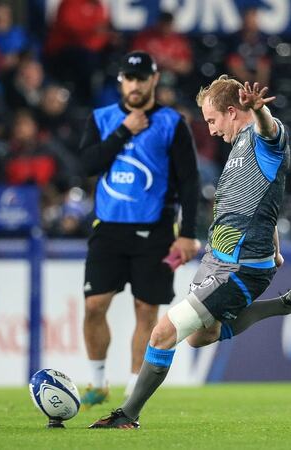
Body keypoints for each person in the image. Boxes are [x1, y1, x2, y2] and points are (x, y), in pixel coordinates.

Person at [89, 76, 291, 429]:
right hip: (218, 258)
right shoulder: (238, 149)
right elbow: (261, 200)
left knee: (163, 332)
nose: (210, 130)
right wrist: (275, 243)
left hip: (241, 267)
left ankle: (127, 414)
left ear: (232, 111)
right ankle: (286, 304)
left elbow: (270, 129)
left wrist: (260, 110)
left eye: (212, 120)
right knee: (201, 336)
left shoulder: (262, 138)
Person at [77, 51, 200, 409]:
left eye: (141, 78)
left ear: (154, 80)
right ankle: (98, 382)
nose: (135, 85)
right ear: (122, 81)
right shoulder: (102, 119)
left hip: (156, 231)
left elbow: (189, 181)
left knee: (146, 311)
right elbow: (86, 165)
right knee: (94, 306)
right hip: (108, 229)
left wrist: (187, 232)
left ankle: (133, 390)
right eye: (129, 79)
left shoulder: (171, 122)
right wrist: (122, 132)